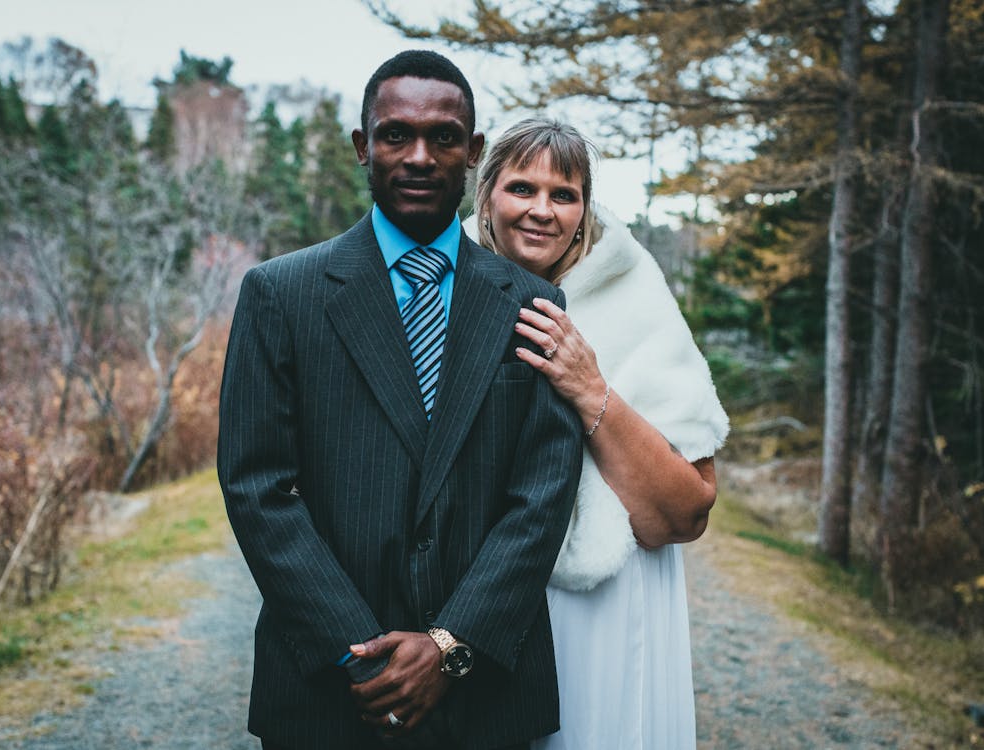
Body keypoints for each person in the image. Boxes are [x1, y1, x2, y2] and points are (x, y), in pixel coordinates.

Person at [217, 54, 583, 750]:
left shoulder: (535, 306)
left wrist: (450, 644)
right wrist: (360, 650)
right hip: (329, 691)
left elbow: (541, 496)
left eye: (444, 137)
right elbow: (256, 486)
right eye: (394, 135)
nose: (419, 156)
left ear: (473, 153)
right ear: (362, 146)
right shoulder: (280, 295)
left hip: (486, 697)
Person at [467, 118, 730, 749]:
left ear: (584, 210)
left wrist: (590, 389)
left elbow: (689, 511)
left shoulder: (634, 295)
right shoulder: (447, 293)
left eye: (564, 194)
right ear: (486, 197)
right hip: (475, 600)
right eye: (521, 188)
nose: (541, 211)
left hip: (600, 609)